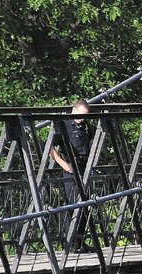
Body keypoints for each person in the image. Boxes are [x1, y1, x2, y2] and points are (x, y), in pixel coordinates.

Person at [50, 99, 94, 251]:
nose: (83, 118)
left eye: (86, 115)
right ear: (74, 110)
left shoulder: (86, 126)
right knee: (73, 205)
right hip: (70, 170)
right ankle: (70, 244)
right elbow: (50, 149)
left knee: (85, 205)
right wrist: (64, 165)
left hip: (84, 169)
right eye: (81, 115)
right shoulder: (63, 125)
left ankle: (80, 241)